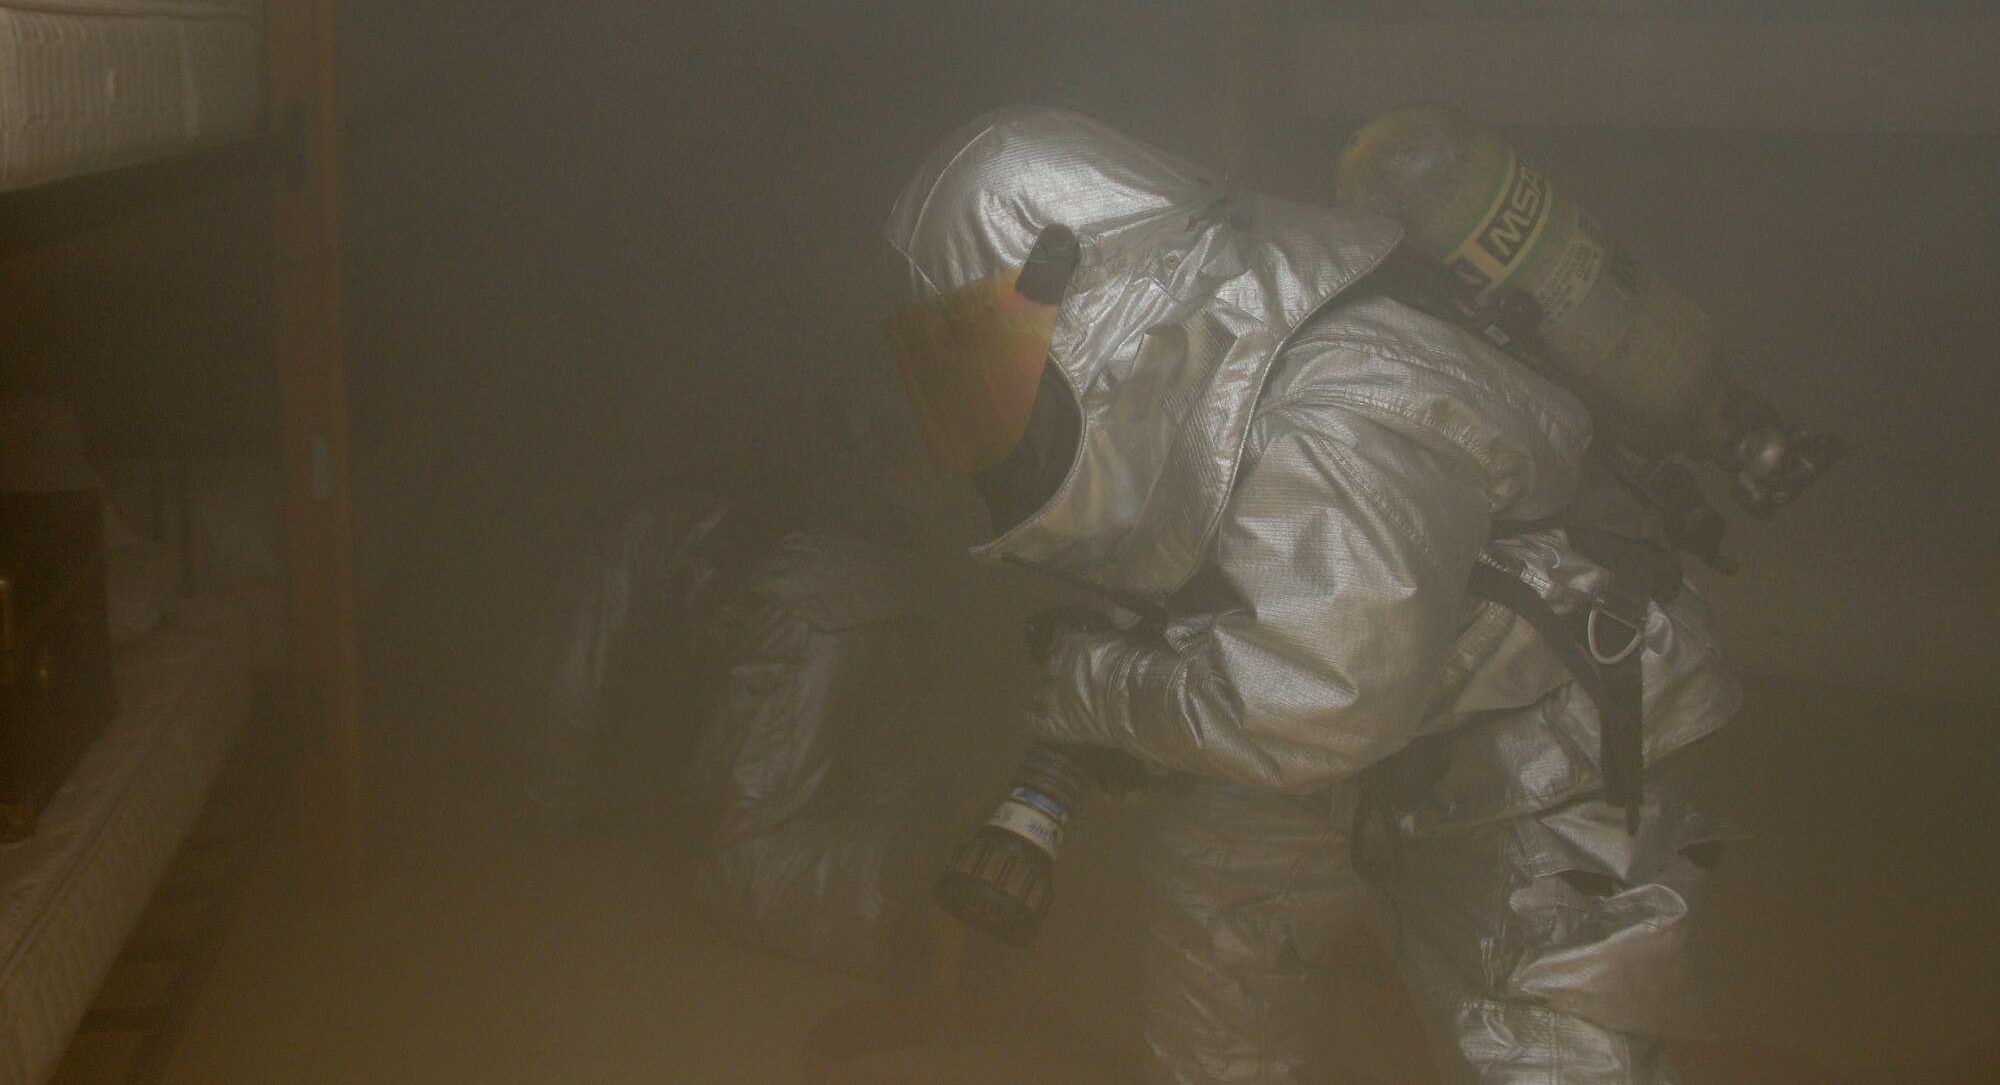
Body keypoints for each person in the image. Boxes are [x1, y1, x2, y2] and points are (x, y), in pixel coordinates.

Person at [882, 107, 1742, 1084]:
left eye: (999, 366)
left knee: (1540, 1046)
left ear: (1101, 299)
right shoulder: (1203, 370)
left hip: (1542, 735)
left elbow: (1317, 701)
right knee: (1214, 874)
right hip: (1382, 704)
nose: (991, 416)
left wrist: (1098, 688)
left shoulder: (1342, 403)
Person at [521, 391, 948, 977]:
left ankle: (931, 897)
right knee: (871, 801)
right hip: (906, 603)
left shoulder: (616, 546)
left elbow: (572, 688)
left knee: (744, 861)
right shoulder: (707, 506)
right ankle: (964, 888)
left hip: (804, 607)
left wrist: (552, 814)